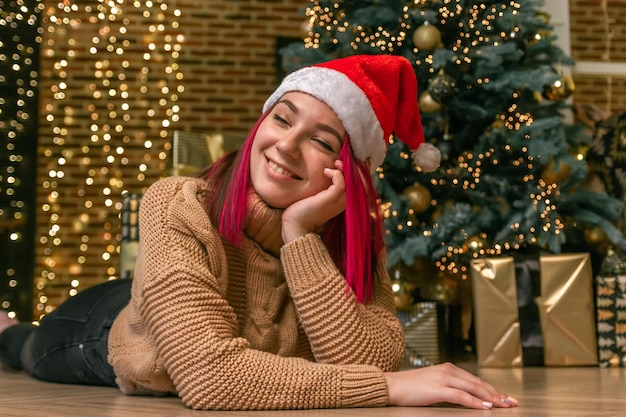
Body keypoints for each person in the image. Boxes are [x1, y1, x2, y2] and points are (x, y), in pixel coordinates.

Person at [0, 54, 517, 411]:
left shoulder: (347, 238)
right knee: (25, 348)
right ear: (260, 125)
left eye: (320, 140)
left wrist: (300, 237)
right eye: (281, 119)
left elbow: (371, 355)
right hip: (110, 329)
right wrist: (386, 389)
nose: (287, 146)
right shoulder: (177, 203)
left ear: (349, 175)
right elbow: (208, 377)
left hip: (199, 304)